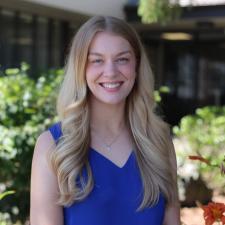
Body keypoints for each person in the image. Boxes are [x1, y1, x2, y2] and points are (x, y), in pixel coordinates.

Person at [30, 16, 180, 225]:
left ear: (136, 66)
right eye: (96, 60)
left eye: (122, 59)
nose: (110, 72)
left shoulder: (159, 143)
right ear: (80, 68)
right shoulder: (52, 145)